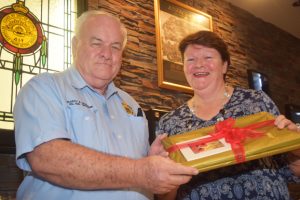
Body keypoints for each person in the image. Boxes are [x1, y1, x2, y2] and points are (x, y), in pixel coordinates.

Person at [13, 10, 199, 200]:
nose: (106, 54)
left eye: (115, 47)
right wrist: (142, 171)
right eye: (96, 43)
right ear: (75, 45)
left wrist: (161, 170)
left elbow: (153, 185)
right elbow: (47, 159)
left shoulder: (132, 106)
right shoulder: (44, 88)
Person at [157, 30, 300, 200]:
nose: (199, 64)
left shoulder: (255, 101)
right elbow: (165, 196)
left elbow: (291, 169)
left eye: (208, 57)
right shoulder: (170, 123)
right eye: (191, 59)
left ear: (224, 65)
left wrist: (295, 145)